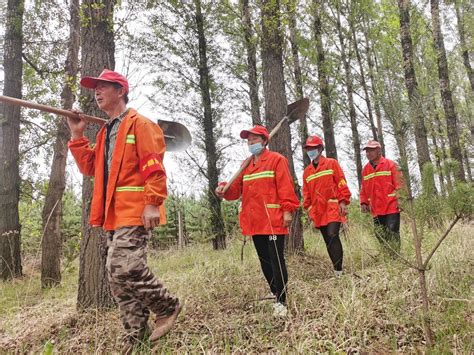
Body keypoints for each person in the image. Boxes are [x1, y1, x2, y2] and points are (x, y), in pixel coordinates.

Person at [66, 69, 181, 348]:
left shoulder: (140, 125)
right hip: (112, 215)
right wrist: (77, 134)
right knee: (117, 279)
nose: (97, 92)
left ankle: (166, 306)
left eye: (103, 87)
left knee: (125, 266)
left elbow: (154, 166)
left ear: (120, 91)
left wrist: (153, 202)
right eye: (95, 88)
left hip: (137, 210)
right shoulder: (107, 131)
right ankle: (136, 337)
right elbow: (90, 167)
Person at [215, 125, 299, 317]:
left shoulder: (277, 160)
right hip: (254, 221)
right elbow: (235, 190)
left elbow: (286, 188)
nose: (250, 143)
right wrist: (222, 189)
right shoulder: (246, 164)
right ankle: (274, 292)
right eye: (248, 140)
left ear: (264, 140)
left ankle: (282, 301)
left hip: (273, 219)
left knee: (276, 260)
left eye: (254, 139)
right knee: (264, 261)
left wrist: (288, 211)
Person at [302, 135, 351, 277]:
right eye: (308, 148)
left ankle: (339, 270)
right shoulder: (307, 172)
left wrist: (343, 201)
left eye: (313, 148)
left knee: (333, 234)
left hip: (333, 206)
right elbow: (306, 193)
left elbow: (341, 182)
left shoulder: (331, 163)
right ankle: (337, 271)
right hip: (318, 211)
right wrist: (309, 209)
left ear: (320, 148)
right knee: (327, 240)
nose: (311, 151)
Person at [360, 140, 403, 255]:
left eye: (371, 150)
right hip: (376, 208)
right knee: (379, 234)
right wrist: (363, 202)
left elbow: (399, 185)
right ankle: (387, 254)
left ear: (379, 151)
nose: (368, 153)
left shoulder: (391, 165)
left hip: (391, 206)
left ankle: (395, 257)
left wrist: (401, 200)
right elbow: (364, 188)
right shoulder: (365, 170)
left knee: (392, 231)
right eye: (367, 151)